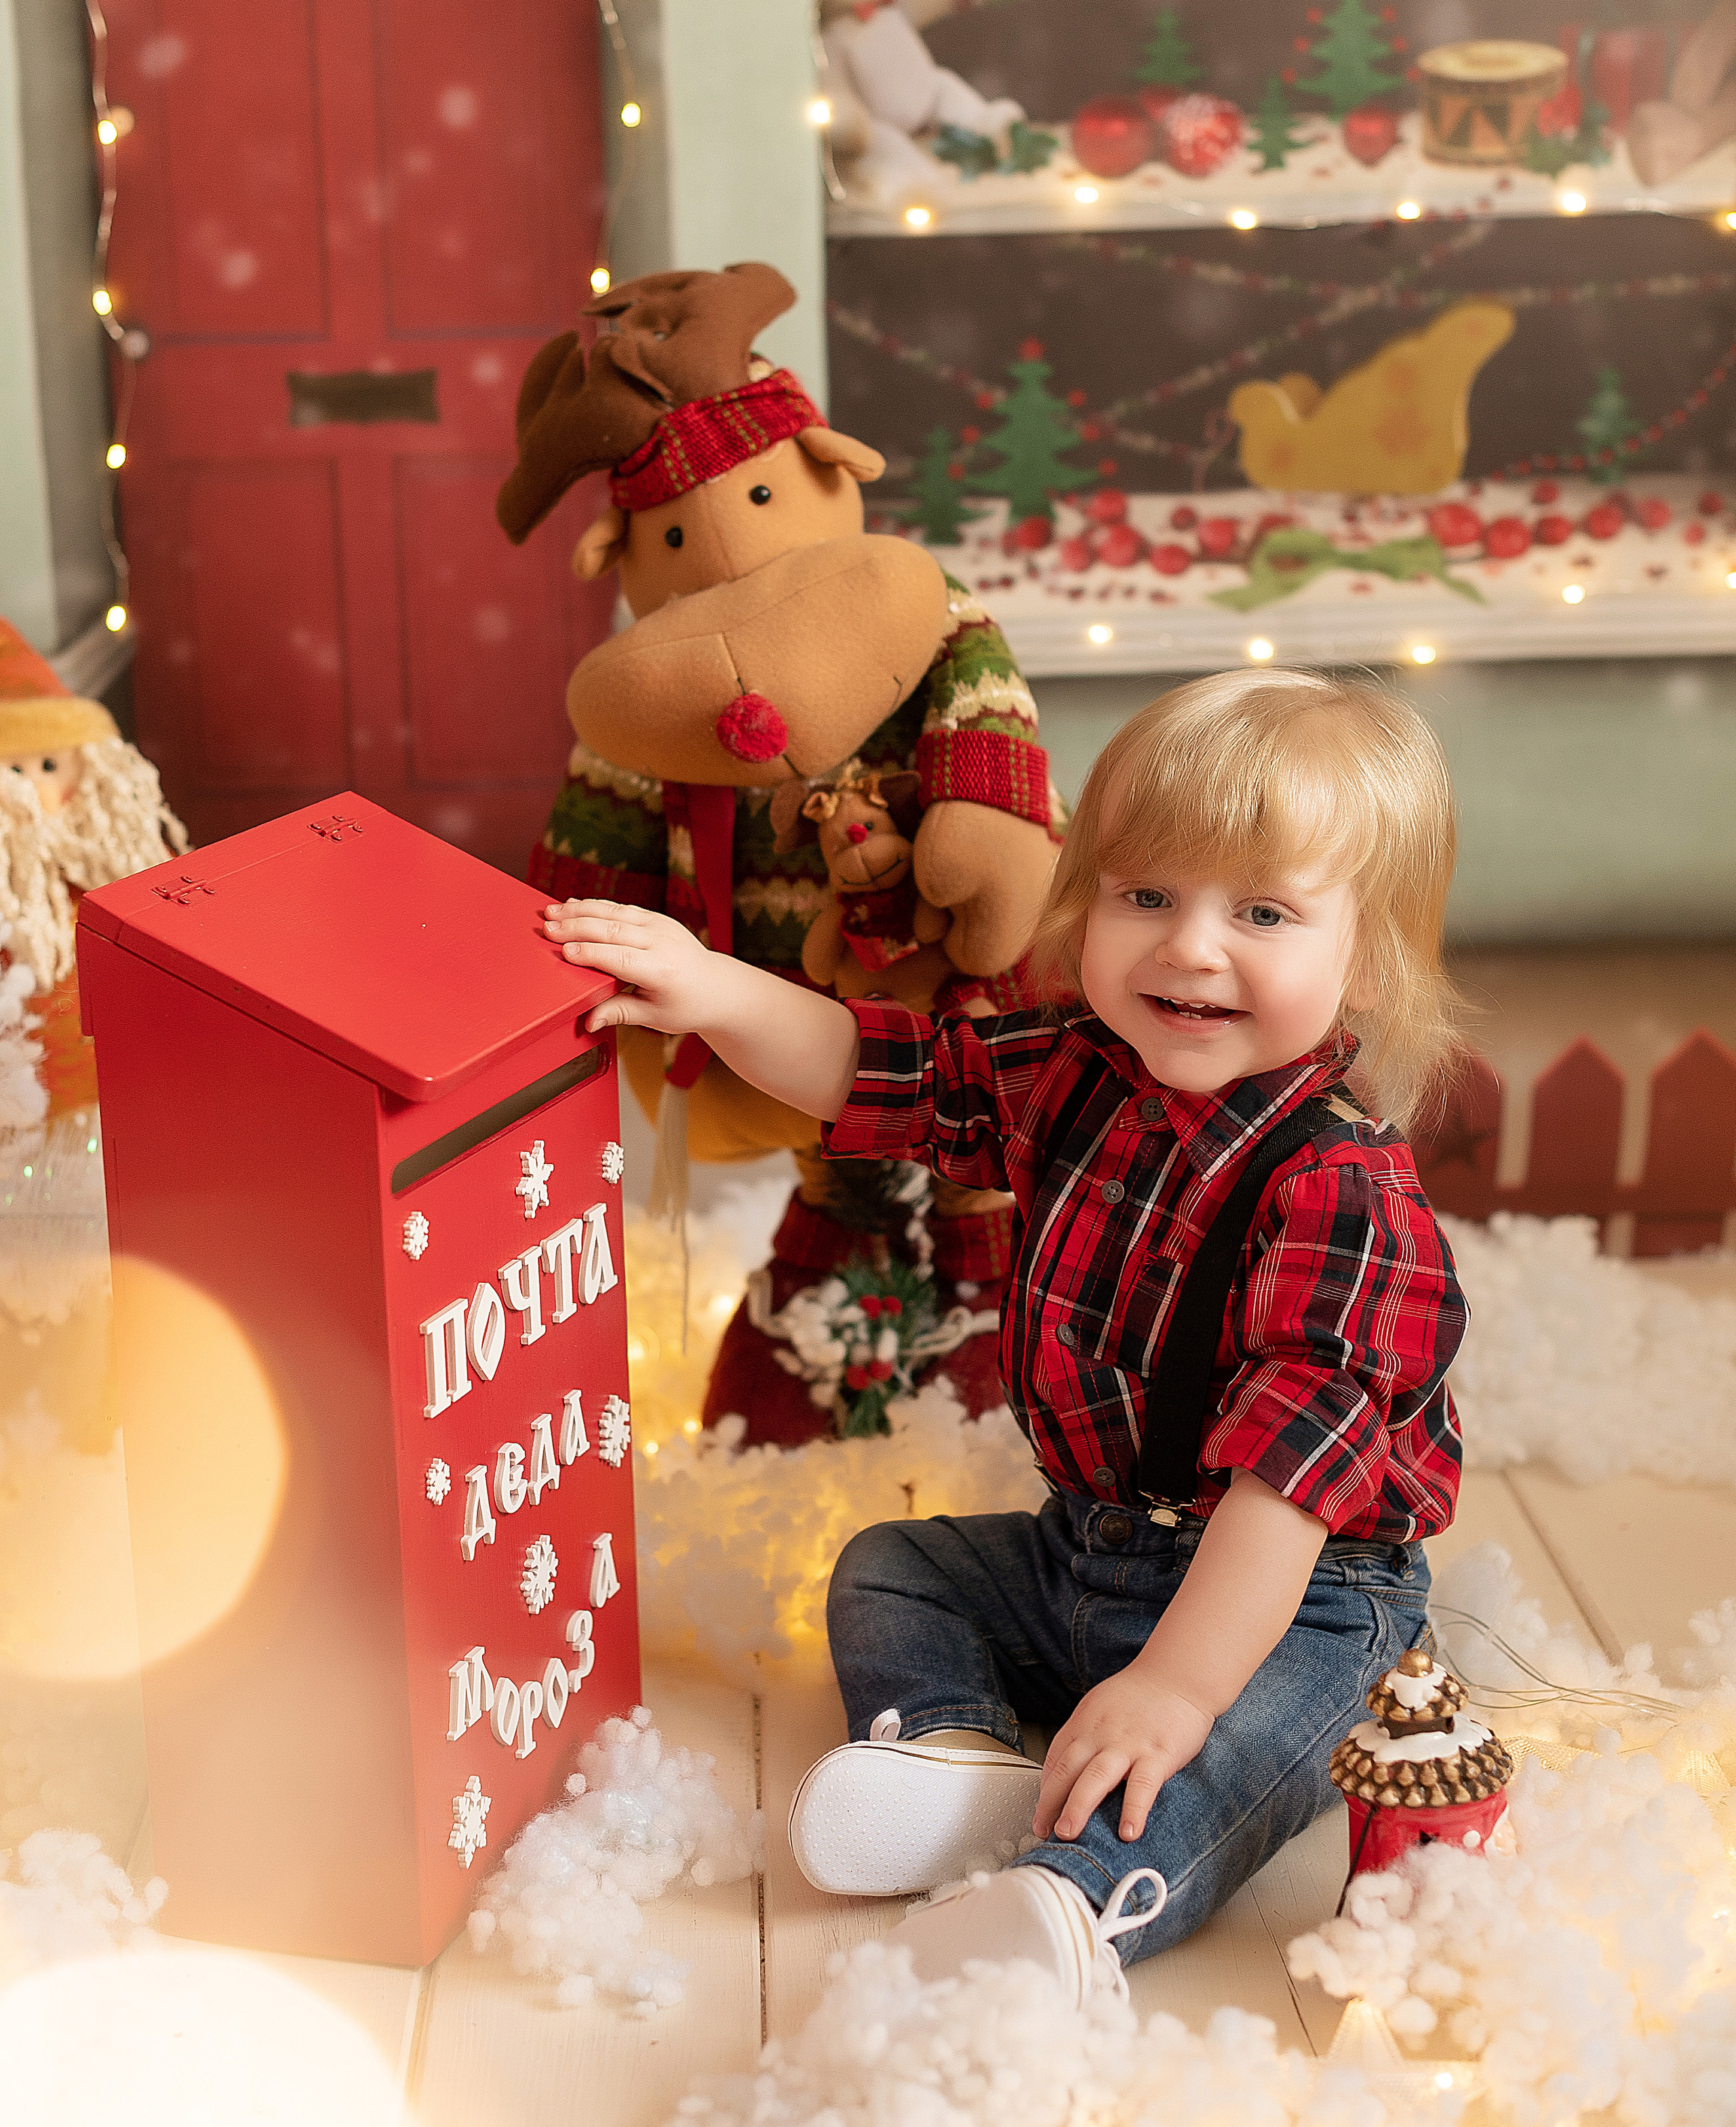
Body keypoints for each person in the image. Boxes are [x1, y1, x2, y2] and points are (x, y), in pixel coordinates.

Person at [545, 669, 1467, 2008]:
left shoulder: (1341, 1192)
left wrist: (1172, 1686)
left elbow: (1282, 1487)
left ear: (1365, 957)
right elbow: (879, 1073)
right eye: (1143, 895)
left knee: (1199, 1763)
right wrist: (713, 990)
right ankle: (957, 1759)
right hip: (1087, 1540)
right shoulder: (1071, 1067)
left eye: (1259, 912)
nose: (1186, 948)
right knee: (893, 1568)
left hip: (1298, 1600)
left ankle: (1070, 1901)